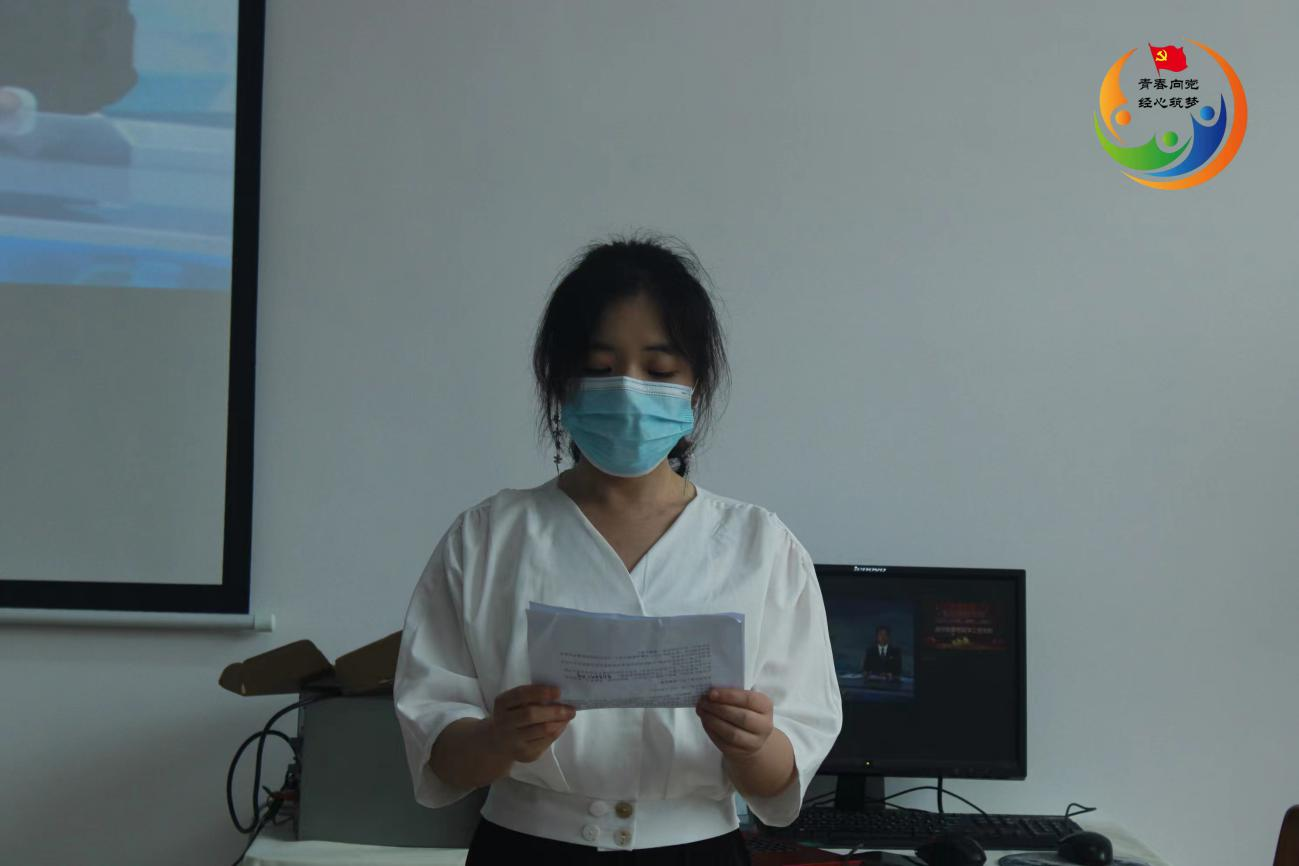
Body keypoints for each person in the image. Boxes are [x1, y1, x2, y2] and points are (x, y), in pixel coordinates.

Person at [393, 232, 843, 864]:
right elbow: (439, 751)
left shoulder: (761, 547)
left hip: (697, 851)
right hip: (524, 849)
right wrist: (498, 739)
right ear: (560, 381)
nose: (629, 390)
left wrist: (752, 744)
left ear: (695, 384)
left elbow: (781, 779)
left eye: (659, 371)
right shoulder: (488, 538)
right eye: (600, 369)